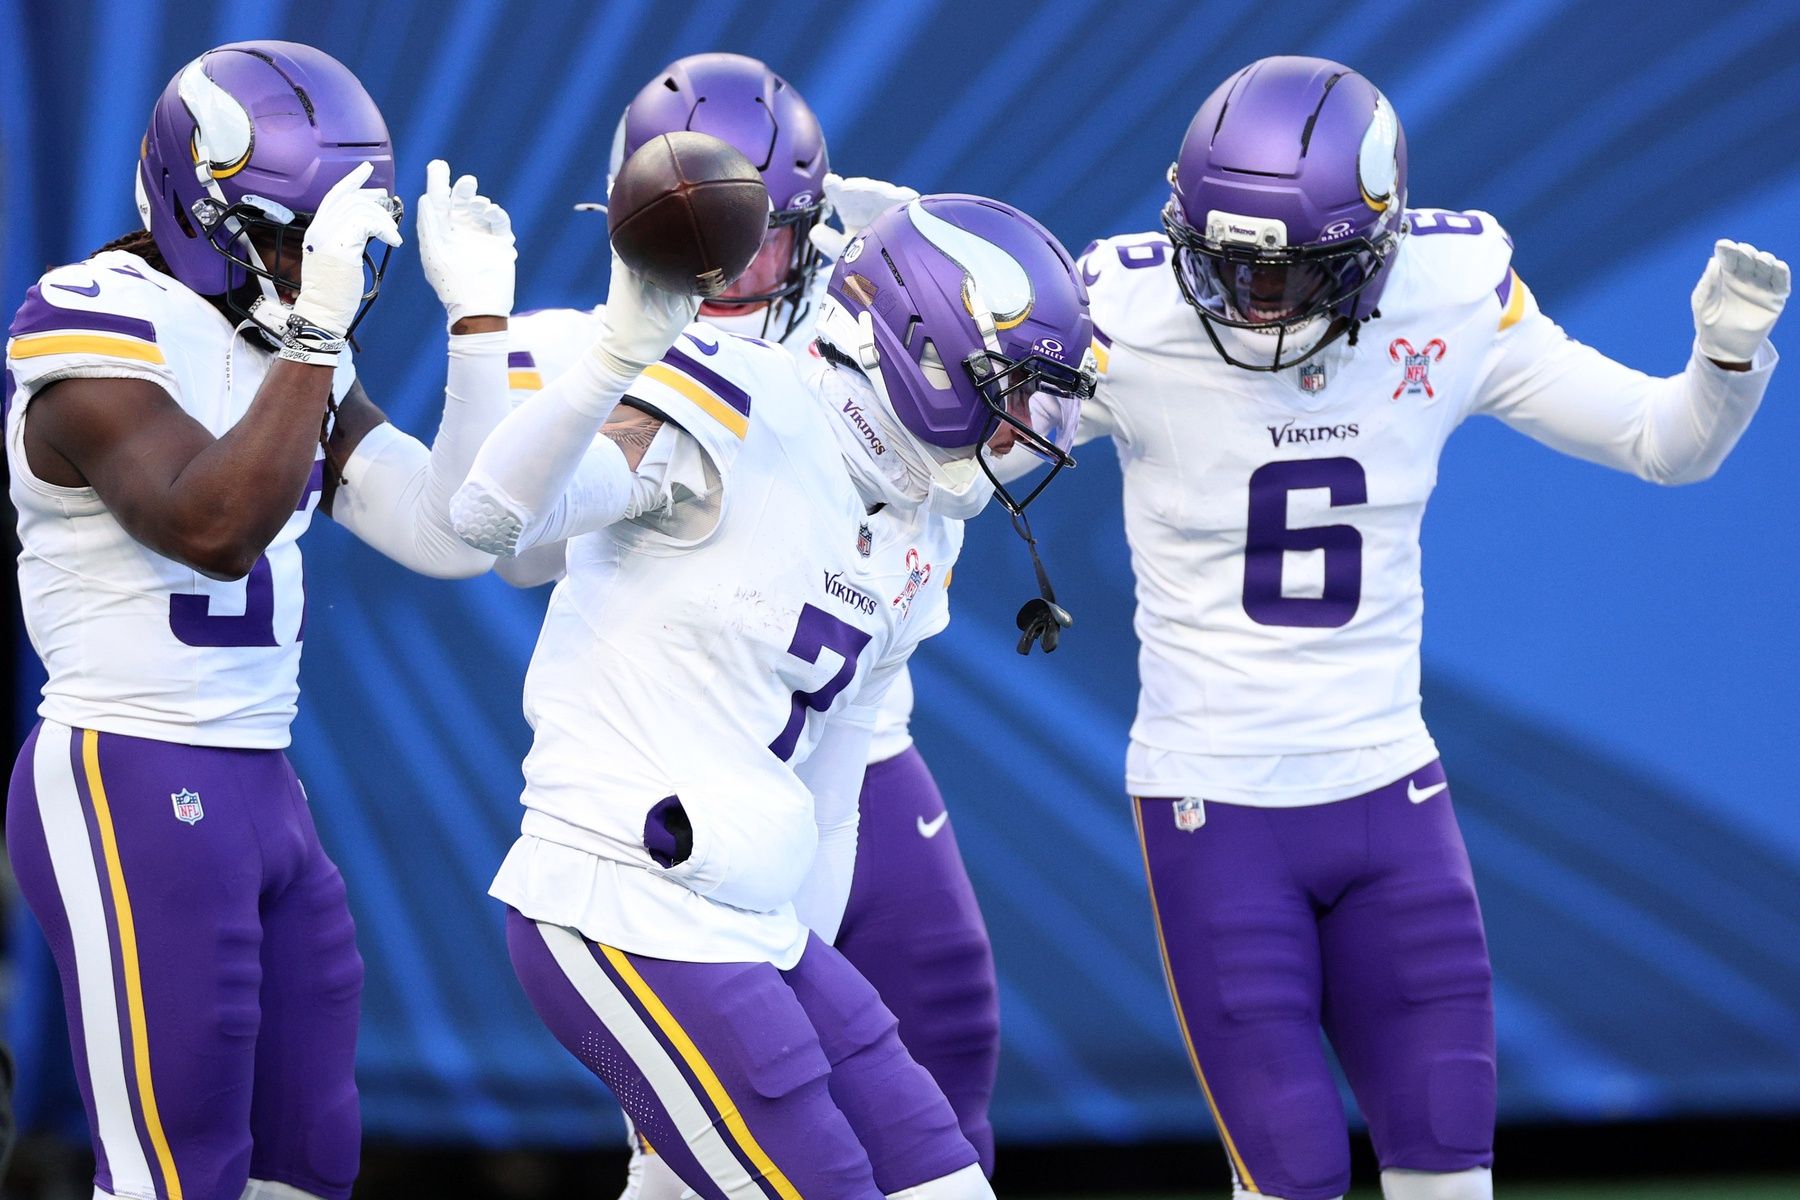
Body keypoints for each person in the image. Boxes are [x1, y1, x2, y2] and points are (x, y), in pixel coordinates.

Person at [1024, 54, 1787, 1200]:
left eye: (1295, 273)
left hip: (1392, 798)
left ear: (1377, 250)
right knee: (1288, 1184)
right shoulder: (1124, 314)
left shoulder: (1449, 291)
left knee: (1449, 1180)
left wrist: (1725, 363)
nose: (1256, 303)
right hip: (1215, 806)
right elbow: (957, 459)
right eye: (1227, 268)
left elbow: (1662, 442)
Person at [452, 191, 1092, 1200]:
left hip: (750, 920)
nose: (1030, 424)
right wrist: (614, 358)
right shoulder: (740, 400)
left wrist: (794, 960)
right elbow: (491, 519)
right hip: (619, 899)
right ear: (922, 349)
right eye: (1011, 383)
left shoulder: (927, 523)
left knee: (946, 1184)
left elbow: (830, 799)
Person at [4, 40, 519, 1200]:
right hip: (128, 774)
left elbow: (453, 534)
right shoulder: (90, 318)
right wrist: (316, 335)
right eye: (286, 234)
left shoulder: (287, 349)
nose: (305, 264)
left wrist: (478, 325)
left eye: (326, 238)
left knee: (307, 1163)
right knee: (176, 1173)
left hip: (261, 784)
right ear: (201, 204)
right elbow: (209, 525)